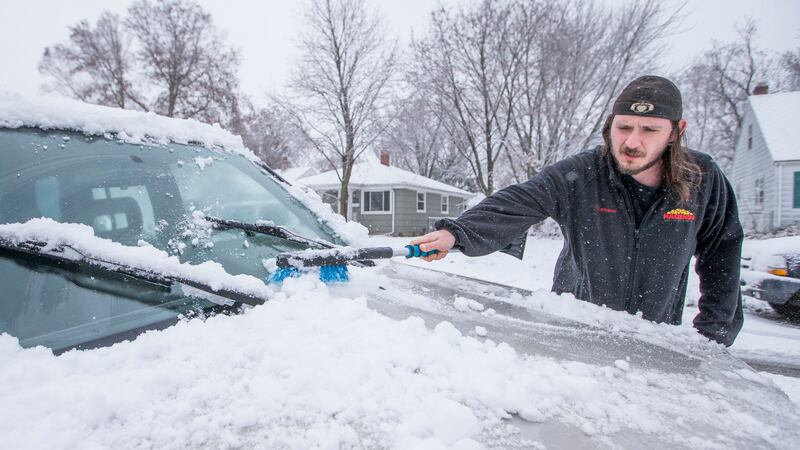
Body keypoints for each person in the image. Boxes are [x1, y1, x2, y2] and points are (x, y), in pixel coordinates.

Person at [412, 75, 744, 346]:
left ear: (676, 131)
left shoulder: (701, 179)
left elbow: (722, 253)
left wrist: (713, 337)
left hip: (653, 341)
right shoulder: (585, 174)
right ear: (610, 124)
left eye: (649, 130)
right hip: (575, 334)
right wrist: (457, 233)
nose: (632, 142)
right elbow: (522, 199)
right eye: (624, 127)